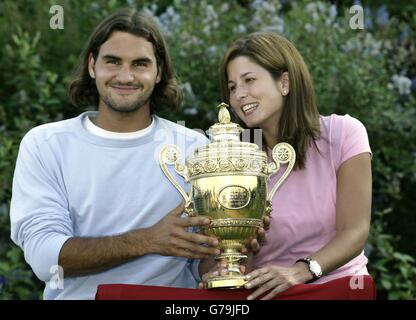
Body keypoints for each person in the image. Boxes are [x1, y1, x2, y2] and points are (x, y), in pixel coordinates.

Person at [9, 8, 222, 300]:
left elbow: (203, 259)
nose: (126, 76)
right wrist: (147, 240)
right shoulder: (46, 144)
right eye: (113, 61)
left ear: (158, 72)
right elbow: (47, 259)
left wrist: (233, 249)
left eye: (140, 64)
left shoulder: (196, 148)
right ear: (92, 65)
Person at [201, 32, 373, 300]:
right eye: (232, 87)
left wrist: (301, 271)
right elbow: (234, 257)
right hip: (265, 292)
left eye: (249, 80)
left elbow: (355, 232)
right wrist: (221, 269)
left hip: (338, 288)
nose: (239, 95)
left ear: (284, 82)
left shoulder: (344, 133)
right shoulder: (235, 159)